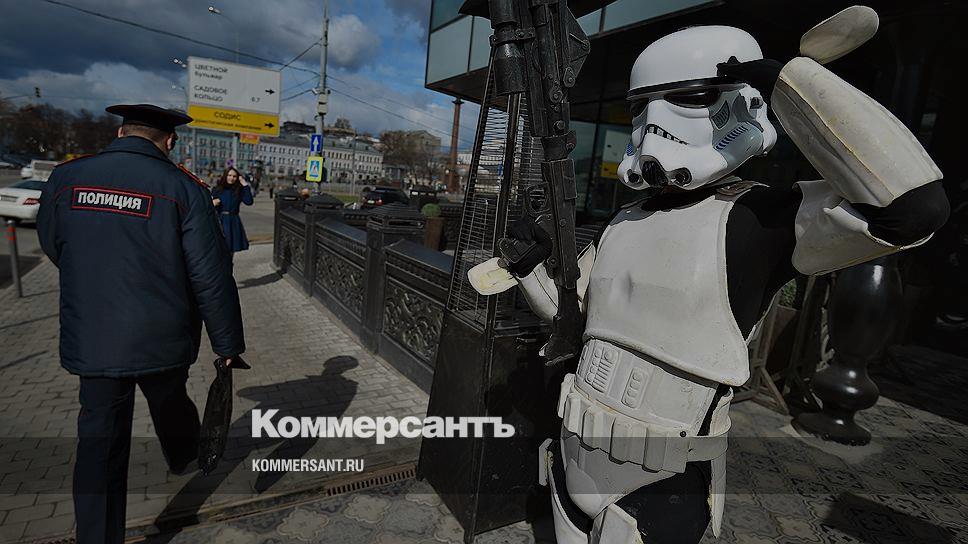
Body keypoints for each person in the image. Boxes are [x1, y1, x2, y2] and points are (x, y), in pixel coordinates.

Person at [472, 17, 950, 544]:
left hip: (658, 482)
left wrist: (794, 85)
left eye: (689, 97)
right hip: (573, 454)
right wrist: (530, 268)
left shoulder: (761, 218)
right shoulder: (624, 221)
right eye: (639, 107)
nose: (655, 123)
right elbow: (574, 317)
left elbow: (911, 209)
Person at [37, 104, 246, 544]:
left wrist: (94, 280)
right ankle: (183, 455)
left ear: (120, 133)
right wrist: (227, 345)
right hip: (161, 332)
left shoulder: (67, 178)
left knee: (99, 444)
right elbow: (210, 276)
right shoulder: (183, 188)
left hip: (94, 334)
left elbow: (54, 245)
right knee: (169, 397)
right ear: (170, 141)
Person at [211, 166, 254, 259]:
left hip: (233, 221)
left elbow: (249, 202)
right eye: (229, 175)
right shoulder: (217, 189)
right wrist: (213, 203)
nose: (231, 178)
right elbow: (208, 206)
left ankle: (229, 267)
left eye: (234, 176)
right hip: (220, 220)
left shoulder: (238, 190)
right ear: (225, 176)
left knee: (231, 249)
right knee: (220, 248)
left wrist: (245, 185)